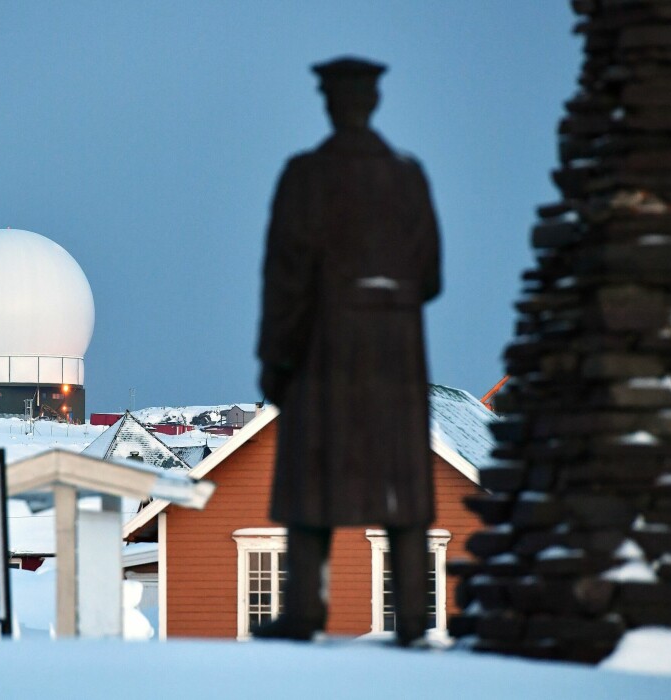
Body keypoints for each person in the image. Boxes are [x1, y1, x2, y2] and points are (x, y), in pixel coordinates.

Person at [255, 56, 442, 647]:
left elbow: (285, 277)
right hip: (397, 350)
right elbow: (431, 276)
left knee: (314, 472)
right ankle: (414, 615)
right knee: (403, 477)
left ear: (331, 104)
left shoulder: (305, 176)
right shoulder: (409, 176)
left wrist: (276, 357)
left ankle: (304, 609)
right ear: (374, 104)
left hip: (325, 345)